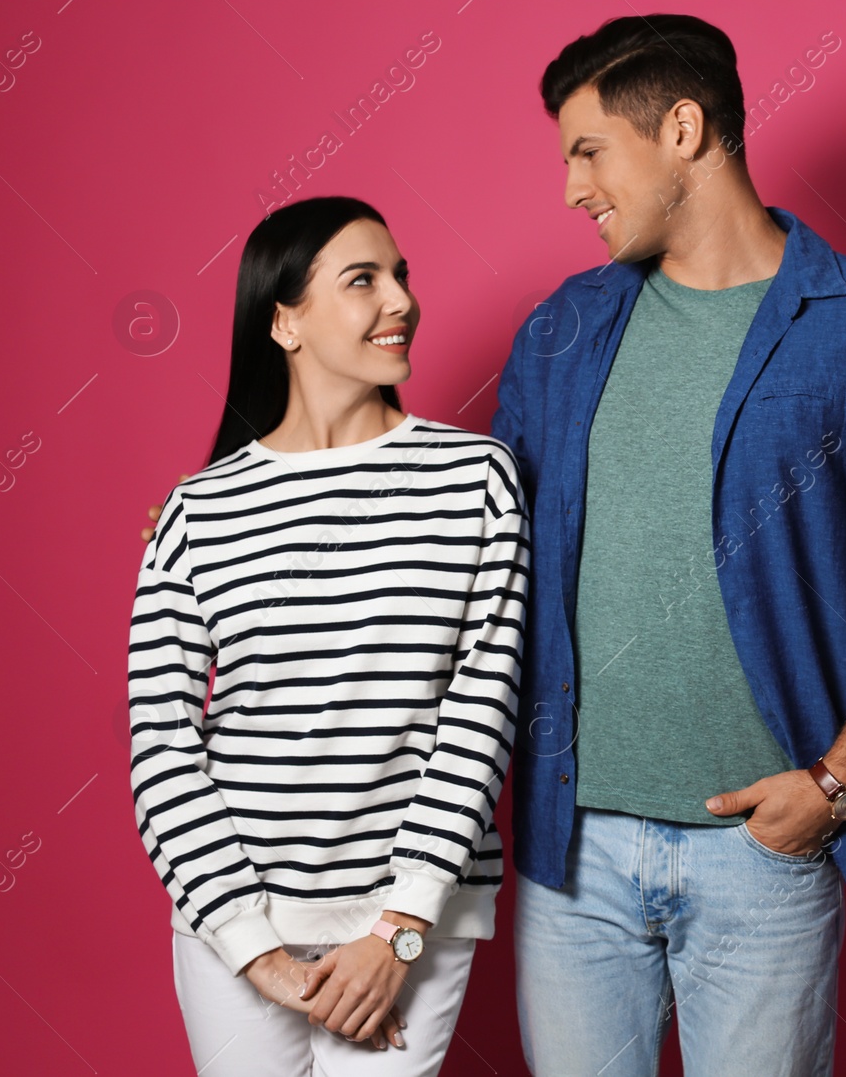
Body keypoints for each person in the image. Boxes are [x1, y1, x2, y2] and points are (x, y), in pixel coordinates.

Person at [492, 14, 846, 1075]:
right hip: (571, 856)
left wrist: (838, 785)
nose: (574, 188)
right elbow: (485, 559)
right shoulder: (560, 331)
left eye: (589, 151)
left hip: (765, 854)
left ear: (682, 128)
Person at [127, 196, 528, 1076]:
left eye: (402, 276)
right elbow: (161, 743)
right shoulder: (198, 513)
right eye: (363, 281)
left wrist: (400, 930)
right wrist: (252, 947)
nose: (402, 301)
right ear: (285, 321)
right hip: (234, 917)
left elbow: (481, 716)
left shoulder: (475, 480)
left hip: (408, 920)